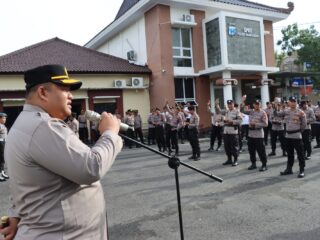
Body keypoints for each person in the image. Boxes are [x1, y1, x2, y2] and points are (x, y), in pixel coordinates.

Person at [0, 64, 123, 239]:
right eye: (64, 89)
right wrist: (110, 133)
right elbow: (91, 167)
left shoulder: (25, 123)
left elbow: (24, 182)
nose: (71, 95)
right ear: (43, 92)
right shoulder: (43, 126)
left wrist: (16, 212)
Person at [278, 96, 307, 178]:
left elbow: (304, 124)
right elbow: (278, 114)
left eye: (294, 101)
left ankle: (301, 170)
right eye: (291, 101)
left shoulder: (300, 112)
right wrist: (277, 105)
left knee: (300, 154)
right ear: (289, 103)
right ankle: (289, 169)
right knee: (290, 154)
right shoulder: (286, 111)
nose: (293, 103)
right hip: (288, 136)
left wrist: (298, 131)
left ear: (296, 102)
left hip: (297, 135)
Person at [216, 99, 242, 166]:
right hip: (226, 131)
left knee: (234, 147)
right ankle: (229, 159)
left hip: (233, 131)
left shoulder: (237, 111)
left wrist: (232, 121)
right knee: (227, 147)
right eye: (228, 104)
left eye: (231, 104)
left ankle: (235, 160)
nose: (230, 105)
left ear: (233, 104)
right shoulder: (227, 111)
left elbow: (240, 120)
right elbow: (219, 111)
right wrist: (217, 105)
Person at [245, 99, 268, 171]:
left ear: (260, 105)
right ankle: (253, 163)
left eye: (258, 104)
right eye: (255, 104)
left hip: (258, 135)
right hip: (251, 134)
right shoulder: (251, 112)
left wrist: (255, 124)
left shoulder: (263, 113)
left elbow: (265, 124)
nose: (257, 105)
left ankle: (264, 164)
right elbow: (242, 110)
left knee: (261, 151)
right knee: (251, 150)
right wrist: (243, 101)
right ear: (253, 105)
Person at [0, 112, 9, 182]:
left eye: (5, 118)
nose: (5, 119)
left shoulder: (2, 125)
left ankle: (2, 172)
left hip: (4, 142)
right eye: (3, 118)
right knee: (1, 158)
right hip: (0, 143)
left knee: (3, 158)